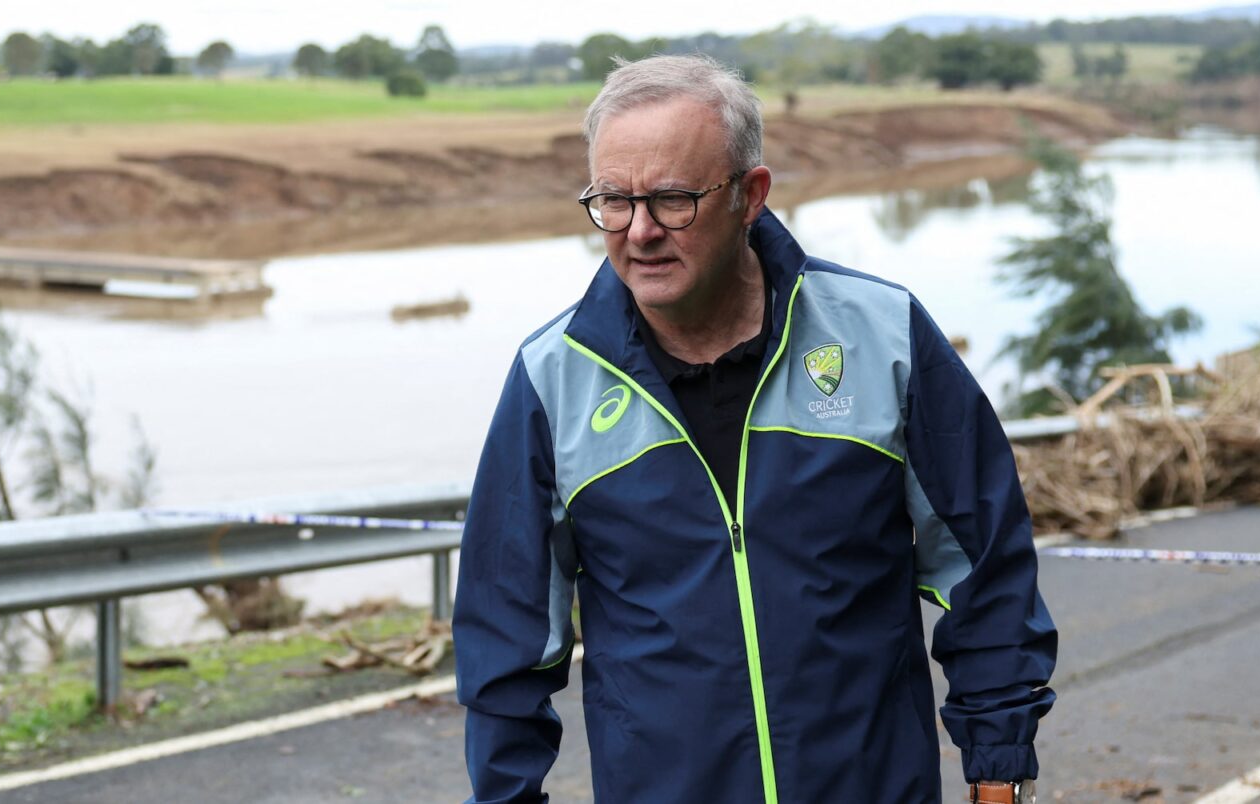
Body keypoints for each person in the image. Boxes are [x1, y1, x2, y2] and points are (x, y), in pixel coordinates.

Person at [452, 54, 1056, 804]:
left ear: (751, 195)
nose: (640, 231)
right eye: (613, 200)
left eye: (673, 200)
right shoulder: (553, 378)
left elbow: (983, 568)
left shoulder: (884, 335)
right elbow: (505, 634)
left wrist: (999, 768)